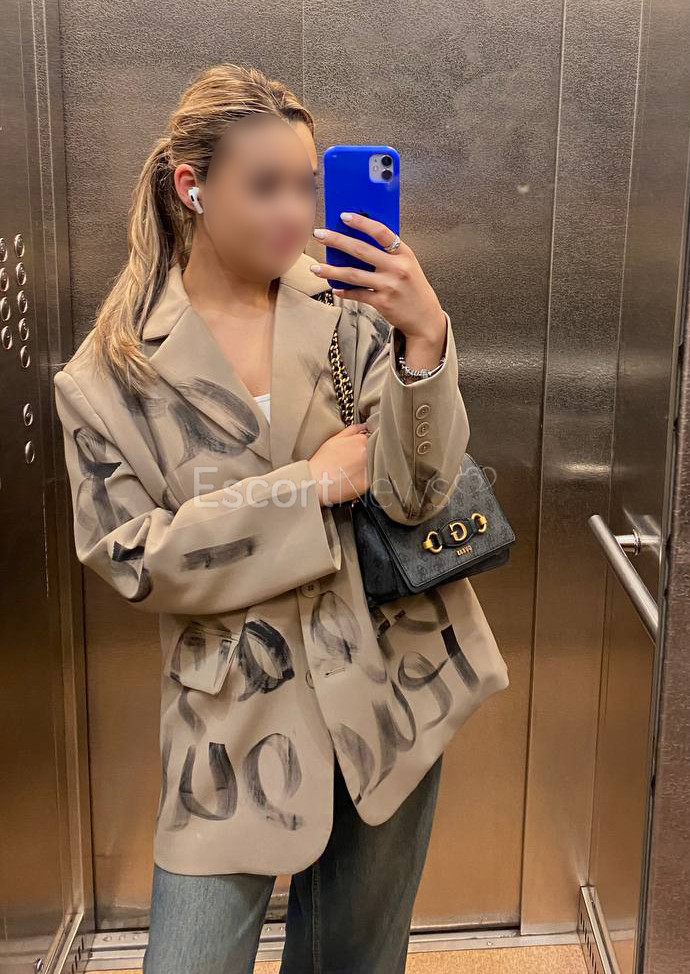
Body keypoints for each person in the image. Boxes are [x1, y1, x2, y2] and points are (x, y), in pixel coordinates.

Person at [53, 62, 509, 973]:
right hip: (234, 728)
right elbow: (135, 559)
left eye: (306, 185)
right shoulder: (107, 377)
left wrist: (424, 342)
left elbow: (415, 494)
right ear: (192, 187)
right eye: (265, 188)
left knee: (355, 960)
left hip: (388, 691)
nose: (296, 214)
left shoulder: (342, 308)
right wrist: (308, 486)